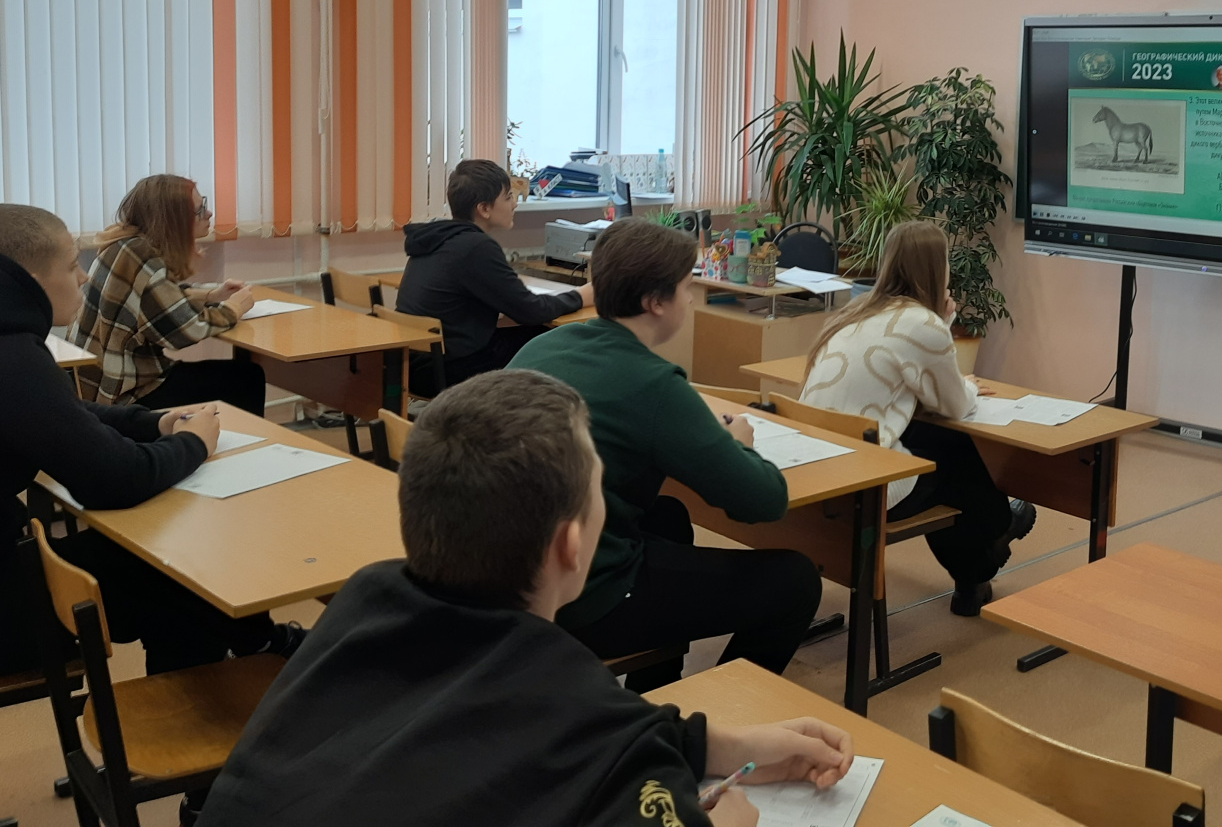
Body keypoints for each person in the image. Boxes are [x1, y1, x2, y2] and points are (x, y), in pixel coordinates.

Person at [199, 369, 855, 827]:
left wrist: (722, 744)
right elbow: (592, 736)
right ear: (572, 546)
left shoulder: (368, 600)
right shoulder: (560, 685)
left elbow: (574, 732)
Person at [508, 217, 820, 691]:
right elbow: (764, 501)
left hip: (516, 574)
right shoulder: (653, 382)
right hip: (584, 597)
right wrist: (740, 445)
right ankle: (717, 711)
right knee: (796, 581)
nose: (690, 300)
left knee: (668, 516)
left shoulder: (544, 345)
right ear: (656, 302)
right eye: (686, 288)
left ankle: (655, 687)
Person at [0, 204, 297, 676]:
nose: (83, 277)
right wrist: (193, 444)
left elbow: (63, 412)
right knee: (180, 561)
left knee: (163, 570)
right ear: (31, 280)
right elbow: (116, 479)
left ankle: (255, 648)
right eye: (72, 265)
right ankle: (250, 661)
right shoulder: (12, 355)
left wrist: (153, 424)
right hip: (8, 612)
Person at [800, 221, 1035, 617]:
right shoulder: (922, 323)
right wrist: (955, 353)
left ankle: (980, 564)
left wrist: (939, 328)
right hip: (860, 485)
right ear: (936, 269)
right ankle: (992, 539)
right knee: (957, 460)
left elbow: (913, 378)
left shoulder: (857, 312)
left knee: (938, 446)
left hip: (817, 466)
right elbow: (956, 405)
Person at [72, 175, 266, 415]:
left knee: (235, 375)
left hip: (98, 383)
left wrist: (211, 295)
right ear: (174, 220)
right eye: (199, 210)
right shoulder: (146, 259)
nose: (209, 213)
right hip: (124, 393)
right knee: (247, 377)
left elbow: (155, 299)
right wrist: (234, 308)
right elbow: (186, 330)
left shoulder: (124, 245)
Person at [397, 160, 593, 393]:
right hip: (446, 370)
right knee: (557, 340)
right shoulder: (476, 247)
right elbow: (532, 311)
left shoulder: (436, 238)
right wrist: (581, 295)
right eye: (508, 197)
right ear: (484, 209)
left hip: (411, 363)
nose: (515, 204)